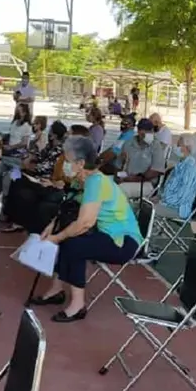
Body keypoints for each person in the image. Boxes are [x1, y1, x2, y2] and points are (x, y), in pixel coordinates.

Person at [31, 136, 143, 322]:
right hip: (106, 234)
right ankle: (56, 290)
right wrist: (53, 227)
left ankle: (78, 306)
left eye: (67, 160)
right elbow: (68, 208)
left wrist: (56, 238)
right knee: (67, 236)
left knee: (73, 245)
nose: (64, 164)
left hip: (123, 241)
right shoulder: (81, 180)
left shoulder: (95, 182)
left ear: (81, 163)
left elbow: (85, 223)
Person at [152, 134, 196, 221]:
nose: (175, 147)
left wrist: (162, 200)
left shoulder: (190, 169)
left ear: (187, 148)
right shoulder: (180, 164)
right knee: (142, 206)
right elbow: (169, 187)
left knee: (145, 209)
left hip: (178, 209)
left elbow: (181, 196)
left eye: (179, 145)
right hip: (168, 202)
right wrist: (158, 197)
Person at [115, 119, 169, 199]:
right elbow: (119, 166)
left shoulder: (156, 146)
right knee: (105, 183)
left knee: (121, 189)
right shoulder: (129, 143)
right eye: (143, 133)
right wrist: (118, 176)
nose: (146, 135)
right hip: (127, 177)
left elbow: (155, 171)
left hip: (146, 183)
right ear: (138, 131)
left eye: (149, 132)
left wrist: (131, 179)